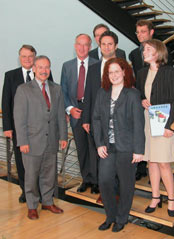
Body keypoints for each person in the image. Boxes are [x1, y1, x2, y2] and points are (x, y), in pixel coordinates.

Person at [92, 58, 145, 232]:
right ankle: (110, 216)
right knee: (105, 180)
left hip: (127, 148)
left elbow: (139, 123)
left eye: (117, 71)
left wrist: (139, 150)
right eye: (110, 72)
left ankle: (122, 218)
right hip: (108, 147)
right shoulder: (102, 93)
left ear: (124, 72)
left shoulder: (132, 94)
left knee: (126, 184)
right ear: (107, 75)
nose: (114, 75)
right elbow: (97, 119)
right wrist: (99, 144)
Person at [13, 55, 67, 220]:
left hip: (51, 140)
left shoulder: (56, 89)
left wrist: (63, 136)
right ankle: (32, 206)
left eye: (47, 67)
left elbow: (60, 115)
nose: (44, 71)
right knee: (31, 176)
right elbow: (19, 118)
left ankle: (48, 202)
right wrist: (22, 141)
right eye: (41, 67)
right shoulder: (23, 89)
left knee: (49, 175)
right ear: (34, 69)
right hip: (31, 142)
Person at [1, 45, 53, 203]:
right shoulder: (10, 76)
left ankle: (42, 194)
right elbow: (6, 103)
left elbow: (51, 100)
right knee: (22, 163)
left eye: (30, 56)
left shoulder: (45, 74)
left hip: (41, 131)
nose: (27, 59)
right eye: (24, 56)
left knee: (41, 164)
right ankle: (26, 192)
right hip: (20, 129)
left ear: (35, 57)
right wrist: (7, 127)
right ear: (19, 57)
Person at [136, 39, 174, 217]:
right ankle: (155, 197)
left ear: (158, 52)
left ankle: (171, 199)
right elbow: (140, 94)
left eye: (148, 49)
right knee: (151, 162)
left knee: (163, 163)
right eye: (144, 50)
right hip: (147, 121)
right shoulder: (141, 73)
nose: (144, 52)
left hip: (164, 123)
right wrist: (141, 100)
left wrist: (171, 126)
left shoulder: (170, 72)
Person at [82, 31, 120, 202]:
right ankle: (105, 192)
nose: (106, 47)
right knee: (101, 155)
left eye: (110, 44)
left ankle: (116, 191)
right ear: (100, 46)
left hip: (117, 120)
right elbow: (88, 95)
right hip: (97, 120)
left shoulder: (123, 67)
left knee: (117, 156)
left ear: (116, 46)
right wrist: (86, 119)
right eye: (103, 44)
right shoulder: (93, 68)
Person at [60, 34, 99, 193]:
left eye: (86, 45)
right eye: (79, 44)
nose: (82, 48)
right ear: (75, 46)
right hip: (75, 111)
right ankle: (86, 179)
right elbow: (63, 91)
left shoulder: (97, 65)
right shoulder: (67, 66)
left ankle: (96, 181)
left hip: (92, 111)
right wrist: (69, 109)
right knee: (82, 149)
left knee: (94, 148)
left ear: (90, 47)